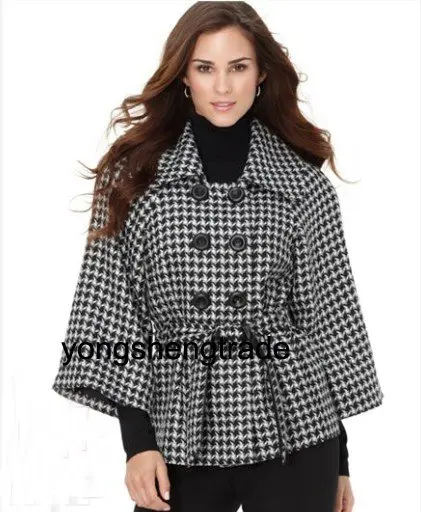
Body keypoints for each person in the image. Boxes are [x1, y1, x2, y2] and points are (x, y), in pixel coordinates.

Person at [51, 2, 384, 512]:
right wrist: (138, 444)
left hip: (296, 431)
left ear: (262, 73)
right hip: (179, 427)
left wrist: (340, 461)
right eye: (205, 68)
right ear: (183, 75)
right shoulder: (134, 177)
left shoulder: (302, 185)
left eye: (238, 67)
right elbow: (113, 312)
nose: (223, 87)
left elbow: (324, 322)